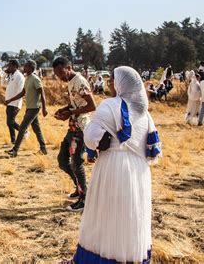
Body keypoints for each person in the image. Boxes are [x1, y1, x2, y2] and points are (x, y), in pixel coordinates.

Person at [72, 66, 161, 263]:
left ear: (120, 84)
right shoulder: (146, 115)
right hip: (138, 171)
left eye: (112, 80)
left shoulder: (109, 105)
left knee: (106, 213)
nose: (110, 84)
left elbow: (92, 137)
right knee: (131, 216)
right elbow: (152, 148)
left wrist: (97, 143)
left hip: (113, 167)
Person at [52, 56, 96, 212]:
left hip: (82, 127)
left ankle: (84, 198)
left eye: (61, 72)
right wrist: (64, 110)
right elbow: (75, 101)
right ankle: (80, 188)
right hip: (73, 126)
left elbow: (92, 105)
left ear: (68, 67)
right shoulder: (71, 82)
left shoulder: (79, 81)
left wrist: (71, 112)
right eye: (57, 74)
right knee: (63, 160)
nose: (60, 77)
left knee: (76, 162)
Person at [5, 60, 48, 157]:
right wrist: (10, 100)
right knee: (37, 129)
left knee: (22, 128)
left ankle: (15, 150)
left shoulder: (35, 79)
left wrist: (44, 108)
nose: (24, 68)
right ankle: (43, 149)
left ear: (31, 68)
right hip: (30, 107)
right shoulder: (27, 78)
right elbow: (22, 93)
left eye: (26, 67)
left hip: (35, 108)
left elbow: (42, 93)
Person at [3, 60, 25, 146]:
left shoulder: (20, 76)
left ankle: (24, 132)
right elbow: (3, 83)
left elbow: (21, 92)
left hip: (15, 103)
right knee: (9, 123)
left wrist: (10, 100)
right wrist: (5, 74)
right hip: (9, 102)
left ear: (15, 66)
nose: (8, 68)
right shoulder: (11, 75)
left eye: (10, 66)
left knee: (10, 122)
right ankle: (13, 141)